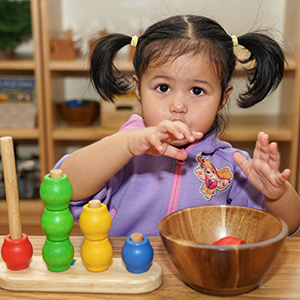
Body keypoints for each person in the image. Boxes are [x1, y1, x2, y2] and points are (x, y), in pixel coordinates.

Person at [55, 15, 300, 236]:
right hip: (126, 275)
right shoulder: (120, 151)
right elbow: (64, 188)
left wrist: (277, 195)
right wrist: (127, 145)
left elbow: (285, 226)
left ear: (223, 98)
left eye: (197, 90)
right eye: (163, 88)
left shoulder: (232, 165)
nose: (178, 105)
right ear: (138, 90)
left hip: (200, 277)